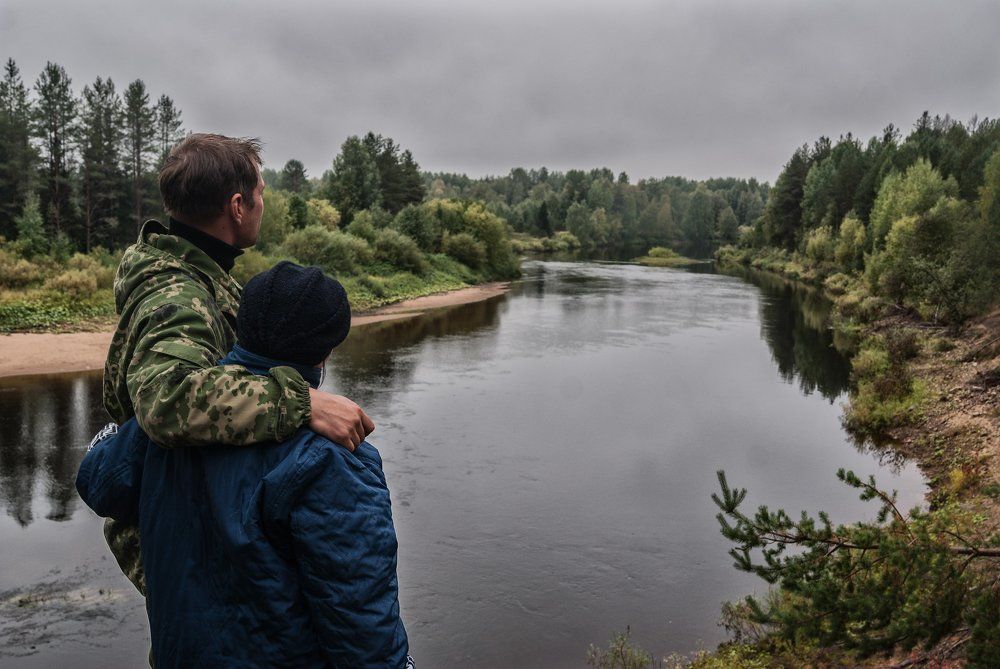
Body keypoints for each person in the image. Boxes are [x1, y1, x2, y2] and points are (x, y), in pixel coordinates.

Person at [77, 262, 412, 668]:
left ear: (242, 326)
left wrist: (115, 432)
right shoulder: (331, 459)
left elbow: (97, 479)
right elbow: (362, 620)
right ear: (326, 350)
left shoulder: (172, 421)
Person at [101, 133, 374, 590]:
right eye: (261, 192)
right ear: (237, 206)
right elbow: (164, 399)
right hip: (187, 549)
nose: (264, 202)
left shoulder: (195, 273)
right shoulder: (179, 295)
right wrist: (304, 404)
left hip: (197, 529)